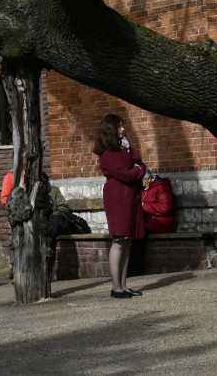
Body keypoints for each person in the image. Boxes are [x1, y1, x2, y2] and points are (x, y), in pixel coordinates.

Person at [93, 113, 147, 298]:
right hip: (118, 197)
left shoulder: (123, 147)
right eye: (119, 126)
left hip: (130, 196)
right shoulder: (108, 153)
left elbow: (140, 163)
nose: (123, 129)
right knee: (119, 240)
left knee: (128, 241)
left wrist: (137, 167)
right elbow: (126, 174)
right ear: (110, 129)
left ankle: (124, 285)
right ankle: (116, 287)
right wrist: (137, 170)